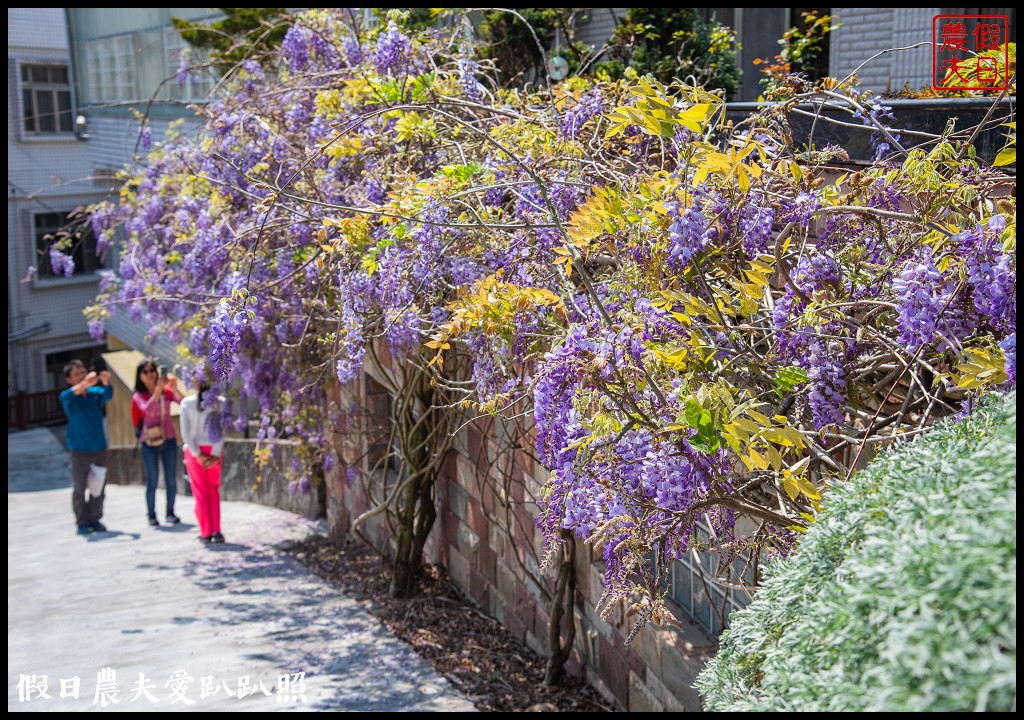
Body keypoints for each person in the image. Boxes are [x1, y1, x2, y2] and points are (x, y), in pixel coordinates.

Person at [60, 359, 113, 535]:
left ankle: (95, 518)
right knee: (79, 488)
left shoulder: (94, 393)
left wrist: (105, 381)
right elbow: (68, 396)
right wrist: (85, 383)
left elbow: (108, 395)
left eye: (83, 372)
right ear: (69, 379)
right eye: (77, 374)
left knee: (98, 487)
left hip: (99, 446)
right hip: (78, 449)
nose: (82, 376)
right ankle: (82, 522)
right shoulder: (68, 396)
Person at [132, 358, 184, 527]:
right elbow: (147, 409)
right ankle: (151, 515)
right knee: (152, 480)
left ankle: (170, 512)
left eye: (152, 370)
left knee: (171, 479)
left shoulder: (167, 391)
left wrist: (175, 389)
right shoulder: (138, 395)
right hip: (149, 442)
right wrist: (158, 390)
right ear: (140, 376)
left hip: (168, 439)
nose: (150, 374)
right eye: (145, 372)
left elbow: (184, 404)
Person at [179, 385, 226, 544]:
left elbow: (185, 434)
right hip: (214, 449)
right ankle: (217, 532)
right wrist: (215, 454)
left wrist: (197, 455)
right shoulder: (221, 402)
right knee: (213, 491)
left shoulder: (186, 403)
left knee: (200, 492)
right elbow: (221, 432)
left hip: (195, 452)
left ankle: (205, 533)